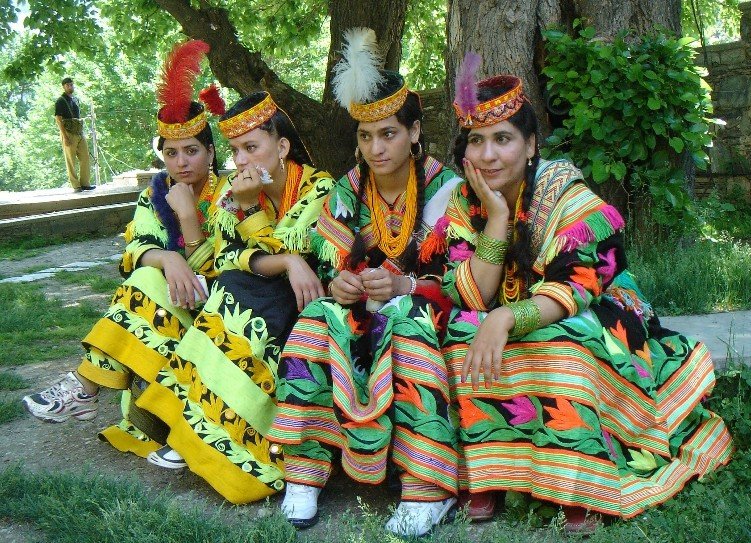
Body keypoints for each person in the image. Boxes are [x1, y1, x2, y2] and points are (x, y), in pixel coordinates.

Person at [437, 54, 734, 532]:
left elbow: (577, 286)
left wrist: (507, 317)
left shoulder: (566, 193)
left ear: (531, 144)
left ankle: (580, 479)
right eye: (477, 141)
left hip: (596, 309)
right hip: (509, 307)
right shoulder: (462, 202)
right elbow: (472, 292)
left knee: (563, 341)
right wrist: (495, 218)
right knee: (457, 332)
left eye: (503, 139)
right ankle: (490, 474)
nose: (488, 155)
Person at [267, 29, 463, 538]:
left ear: (415, 132)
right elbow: (336, 269)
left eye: (389, 134)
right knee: (314, 319)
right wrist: (342, 288)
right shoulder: (346, 191)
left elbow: (461, 277)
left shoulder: (448, 189)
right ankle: (305, 472)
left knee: (408, 320)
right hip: (368, 306)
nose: (376, 148)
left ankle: (427, 487)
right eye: (365, 136)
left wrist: (401, 286)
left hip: (430, 303)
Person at [22, 41, 238, 458]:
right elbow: (136, 248)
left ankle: (84, 387)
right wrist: (169, 257)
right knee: (144, 274)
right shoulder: (154, 194)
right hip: (171, 297)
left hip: (220, 305)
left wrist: (190, 224)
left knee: (146, 282)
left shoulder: (233, 193)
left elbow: (227, 264)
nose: (181, 163)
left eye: (192, 151)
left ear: (211, 152)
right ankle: (87, 387)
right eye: (171, 153)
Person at [135, 91, 335, 504]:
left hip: (315, 303)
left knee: (246, 298)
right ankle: (190, 429)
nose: (241, 161)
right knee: (232, 288)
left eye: (251, 148)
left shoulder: (318, 187)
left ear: (281, 148)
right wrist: (286, 263)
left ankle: (238, 453)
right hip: (268, 290)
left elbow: (302, 253)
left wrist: (254, 216)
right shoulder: (233, 196)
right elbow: (228, 258)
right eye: (235, 151)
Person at [54, 77, 94, 192]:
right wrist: (65, 137)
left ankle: (85, 183)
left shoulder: (75, 100)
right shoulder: (60, 101)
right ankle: (76, 185)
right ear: (63, 87)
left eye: (71, 85)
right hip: (68, 132)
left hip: (79, 131)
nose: (70, 87)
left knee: (85, 157)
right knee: (71, 160)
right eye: (67, 85)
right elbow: (58, 119)